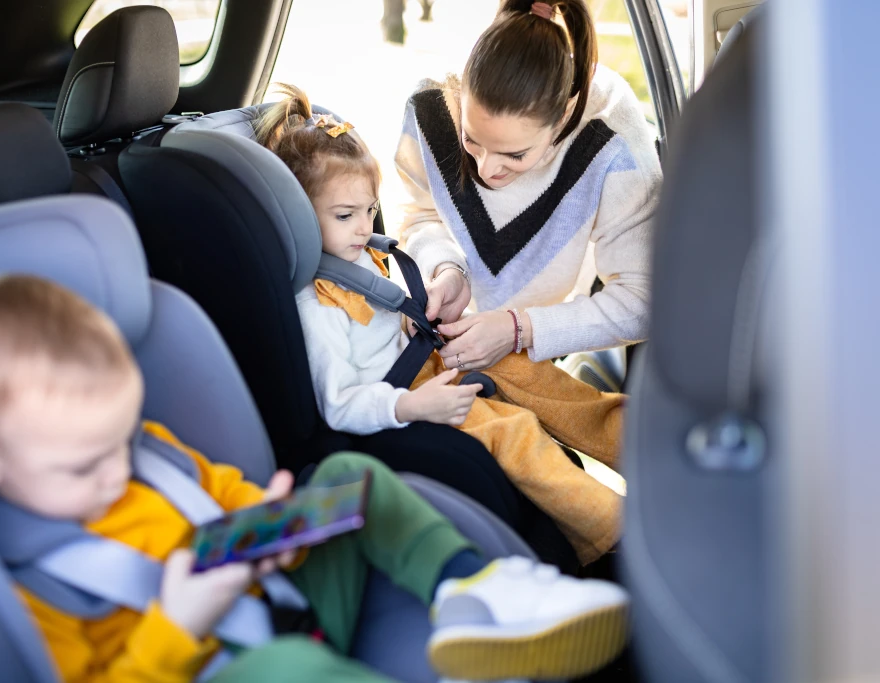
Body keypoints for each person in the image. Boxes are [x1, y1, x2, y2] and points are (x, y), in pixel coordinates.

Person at [0, 273, 630, 683]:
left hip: (267, 585)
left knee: (348, 474)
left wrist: (265, 518)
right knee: (285, 671)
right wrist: (178, 626)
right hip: (207, 661)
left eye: (122, 441)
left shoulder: (137, 450)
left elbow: (215, 487)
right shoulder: (24, 586)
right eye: (83, 466)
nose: (116, 472)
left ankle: (474, 588)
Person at [260, 85, 626, 565]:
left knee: (531, 370)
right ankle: (609, 528)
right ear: (298, 218)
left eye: (370, 209)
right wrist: (413, 405)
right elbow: (340, 403)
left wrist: (411, 325)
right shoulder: (317, 306)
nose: (363, 226)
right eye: (345, 215)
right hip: (405, 394)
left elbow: (378, 323)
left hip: (426, 358)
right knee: (513, 430)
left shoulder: (357, 255)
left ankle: (639, 445)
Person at [396, 0, 661, 371]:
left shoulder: (611, 140)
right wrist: (446, 268)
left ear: (563, 118)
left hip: (560, 342)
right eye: (471, 140)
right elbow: (421, 214)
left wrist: (520, 329)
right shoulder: (431, 110)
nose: (486, 170)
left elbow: (644, 299)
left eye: (515, 155)